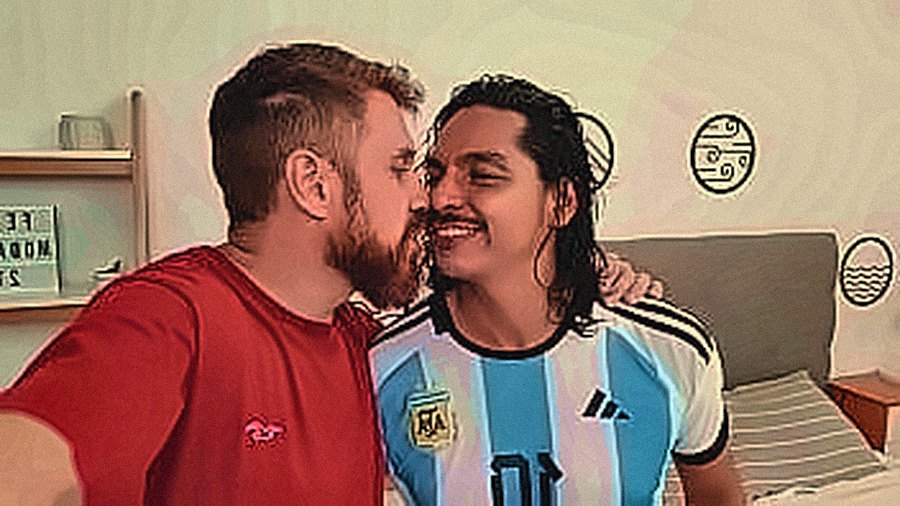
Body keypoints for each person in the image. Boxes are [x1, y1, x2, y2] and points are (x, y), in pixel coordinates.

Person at [0, 43, 656, 505]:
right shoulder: (168, 318)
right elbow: (27, 467)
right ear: (314, 184)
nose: (426, 197)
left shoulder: (361, 340)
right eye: (401, 169)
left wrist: (579, 274)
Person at [371, 75, 744, 505]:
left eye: (483, 176)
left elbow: (719, 496)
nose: (440, 198)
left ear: (562, 202)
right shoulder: (385, 364)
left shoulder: (668, 348)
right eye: (435, 175)